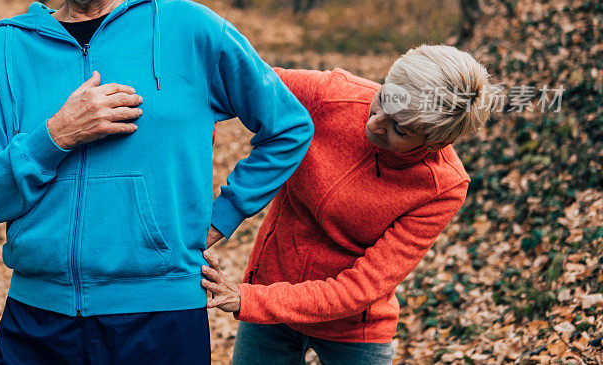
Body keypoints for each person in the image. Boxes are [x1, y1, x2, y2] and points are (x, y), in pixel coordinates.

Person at [0, 0, 314, 365]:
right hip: (36, 321)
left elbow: (289, 127)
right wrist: (54, 135)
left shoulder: (191, 29)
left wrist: (221, 217)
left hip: (161, 320)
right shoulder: (8, 50)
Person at [201, 45, 494, 365]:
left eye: (399, 128)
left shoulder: (443, 187)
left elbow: (361, 286)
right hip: (272, 289)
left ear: (436, 142)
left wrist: (249, 298)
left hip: (353, 328)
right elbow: (236, 80)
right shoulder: (332, 95)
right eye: (383, 98)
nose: (376, 124)